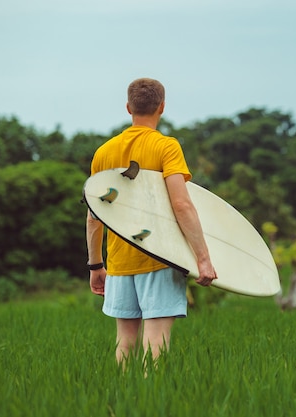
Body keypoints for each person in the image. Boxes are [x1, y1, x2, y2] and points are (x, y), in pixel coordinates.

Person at [86, 78, 217, 365]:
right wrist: (203, 259)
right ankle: (150, 403)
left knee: (125, 344)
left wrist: (96, 264)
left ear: (128, 107)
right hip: (159, 257)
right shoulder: (166, 147)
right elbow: (181, 204)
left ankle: (122, 403)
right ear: (162, 107)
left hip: (119, 262)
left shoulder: (104, 152)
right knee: (155, 343)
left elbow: (95, 216)